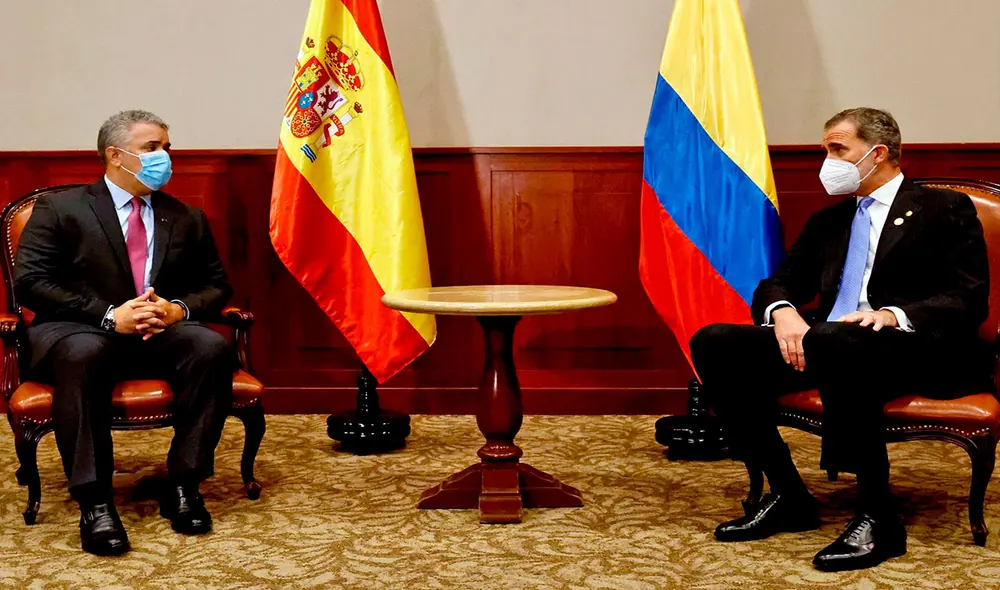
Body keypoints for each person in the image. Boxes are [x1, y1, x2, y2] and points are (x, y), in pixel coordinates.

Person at [690, 107, 991, 572]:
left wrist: (893, 315)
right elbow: (780, 282)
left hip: (918, 347)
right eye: (824, 149)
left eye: (837, 149)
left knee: (836, 340)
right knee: (715, 341)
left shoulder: (942, 208)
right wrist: (784, 312)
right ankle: (789, 494)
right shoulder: (830, 220)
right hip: (830, 342)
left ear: (878, 154)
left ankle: (879, 519)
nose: (826, 162)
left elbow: (967, 298)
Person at [14, 110, 234, 556]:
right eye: (153, 148)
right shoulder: (61, 209)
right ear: (116, 155)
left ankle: (184, 485)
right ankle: (95, 502)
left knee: (209, 346)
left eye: (167, 148)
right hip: (79, 330)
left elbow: (216, 285)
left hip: (157, 332)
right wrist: (110, 315)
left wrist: (178, 310)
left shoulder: (186, 216)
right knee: (84, 353)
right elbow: (32, 282)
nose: (165, 157)